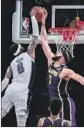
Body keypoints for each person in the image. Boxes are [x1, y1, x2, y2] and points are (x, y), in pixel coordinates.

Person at [40, 8, 84, 126]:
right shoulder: (51, 61)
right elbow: (43, 41)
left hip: (65, 103)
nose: (58, 50)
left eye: (60, 51)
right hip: (55, 103)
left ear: (63, 57)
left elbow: (80, 79)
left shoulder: (65, 71)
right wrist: (43, 22)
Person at [1, 8, 39, 127]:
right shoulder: (28, 53)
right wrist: (32, 17)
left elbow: (6, 80)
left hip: (10, 88)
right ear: (21, 48)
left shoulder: (12, 63)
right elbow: (35, 37)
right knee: (21, 119)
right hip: (22, 89)